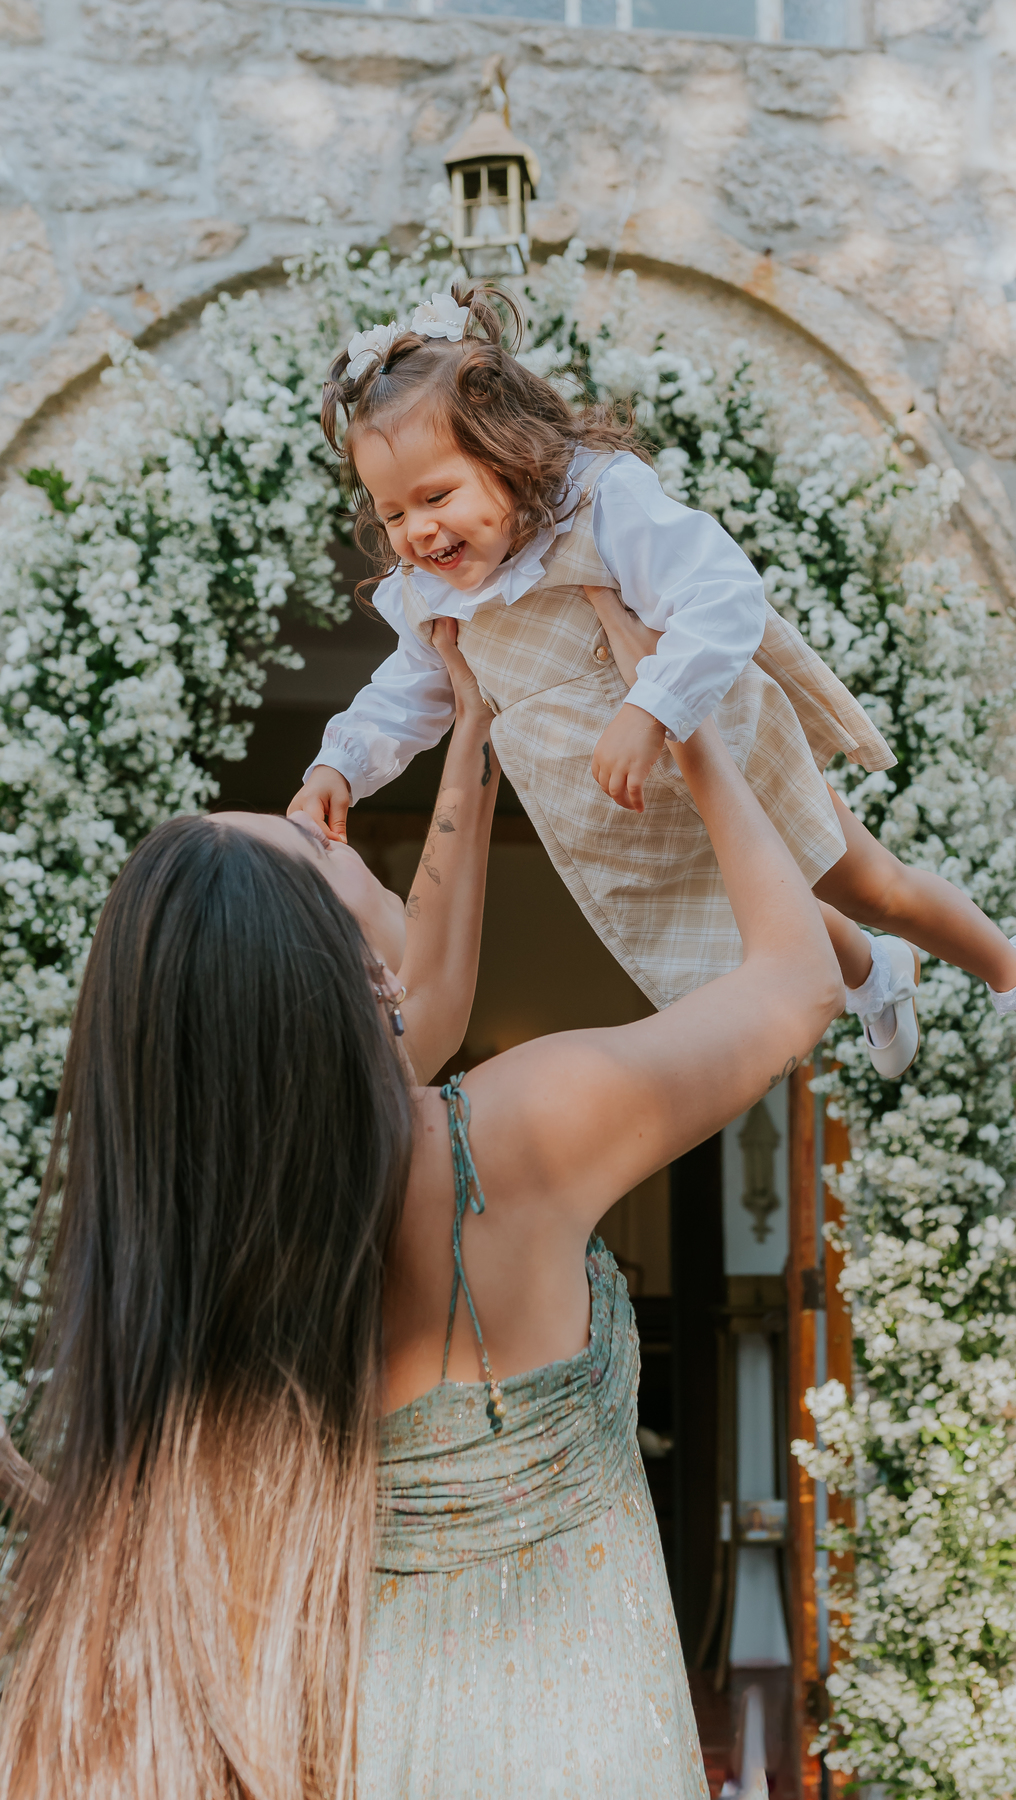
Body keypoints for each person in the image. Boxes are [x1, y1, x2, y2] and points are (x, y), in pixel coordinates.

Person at [0, 616, 831, 1797]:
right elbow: (798, 983)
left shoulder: (208, 1249)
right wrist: (684, 713)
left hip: (350, 1747)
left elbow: (425, 1008)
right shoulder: (516, 1138)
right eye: (322, 849)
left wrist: (475, 724)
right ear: (342, 973)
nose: (331, 831)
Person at [289, 287, 1016, 1086]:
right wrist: (343, 766)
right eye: (393, 513)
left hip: (716, 750)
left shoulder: (600, 510)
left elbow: (723, 596)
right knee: (754, 924)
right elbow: (410, 690)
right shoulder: (432, 596)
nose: (418, 530)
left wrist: (651, 708)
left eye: (437, 496)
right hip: (618, 810)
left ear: (505, 453)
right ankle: (874, 972)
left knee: (868, 883)